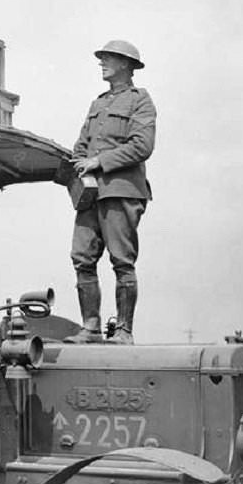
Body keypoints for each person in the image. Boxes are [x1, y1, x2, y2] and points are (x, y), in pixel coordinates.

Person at [65, 40, 156, 345]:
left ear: (127, 65)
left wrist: (99, 162)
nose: (101, 63)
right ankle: (90, 327)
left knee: (121, 260)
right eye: (101, 58)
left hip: (121, 191)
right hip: (89, 194)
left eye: (108, 59)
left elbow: (142, 146)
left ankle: (124, 330)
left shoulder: (140, 101)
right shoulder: (98, 104)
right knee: (82, 257)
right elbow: (82, 145)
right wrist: (77, 159)